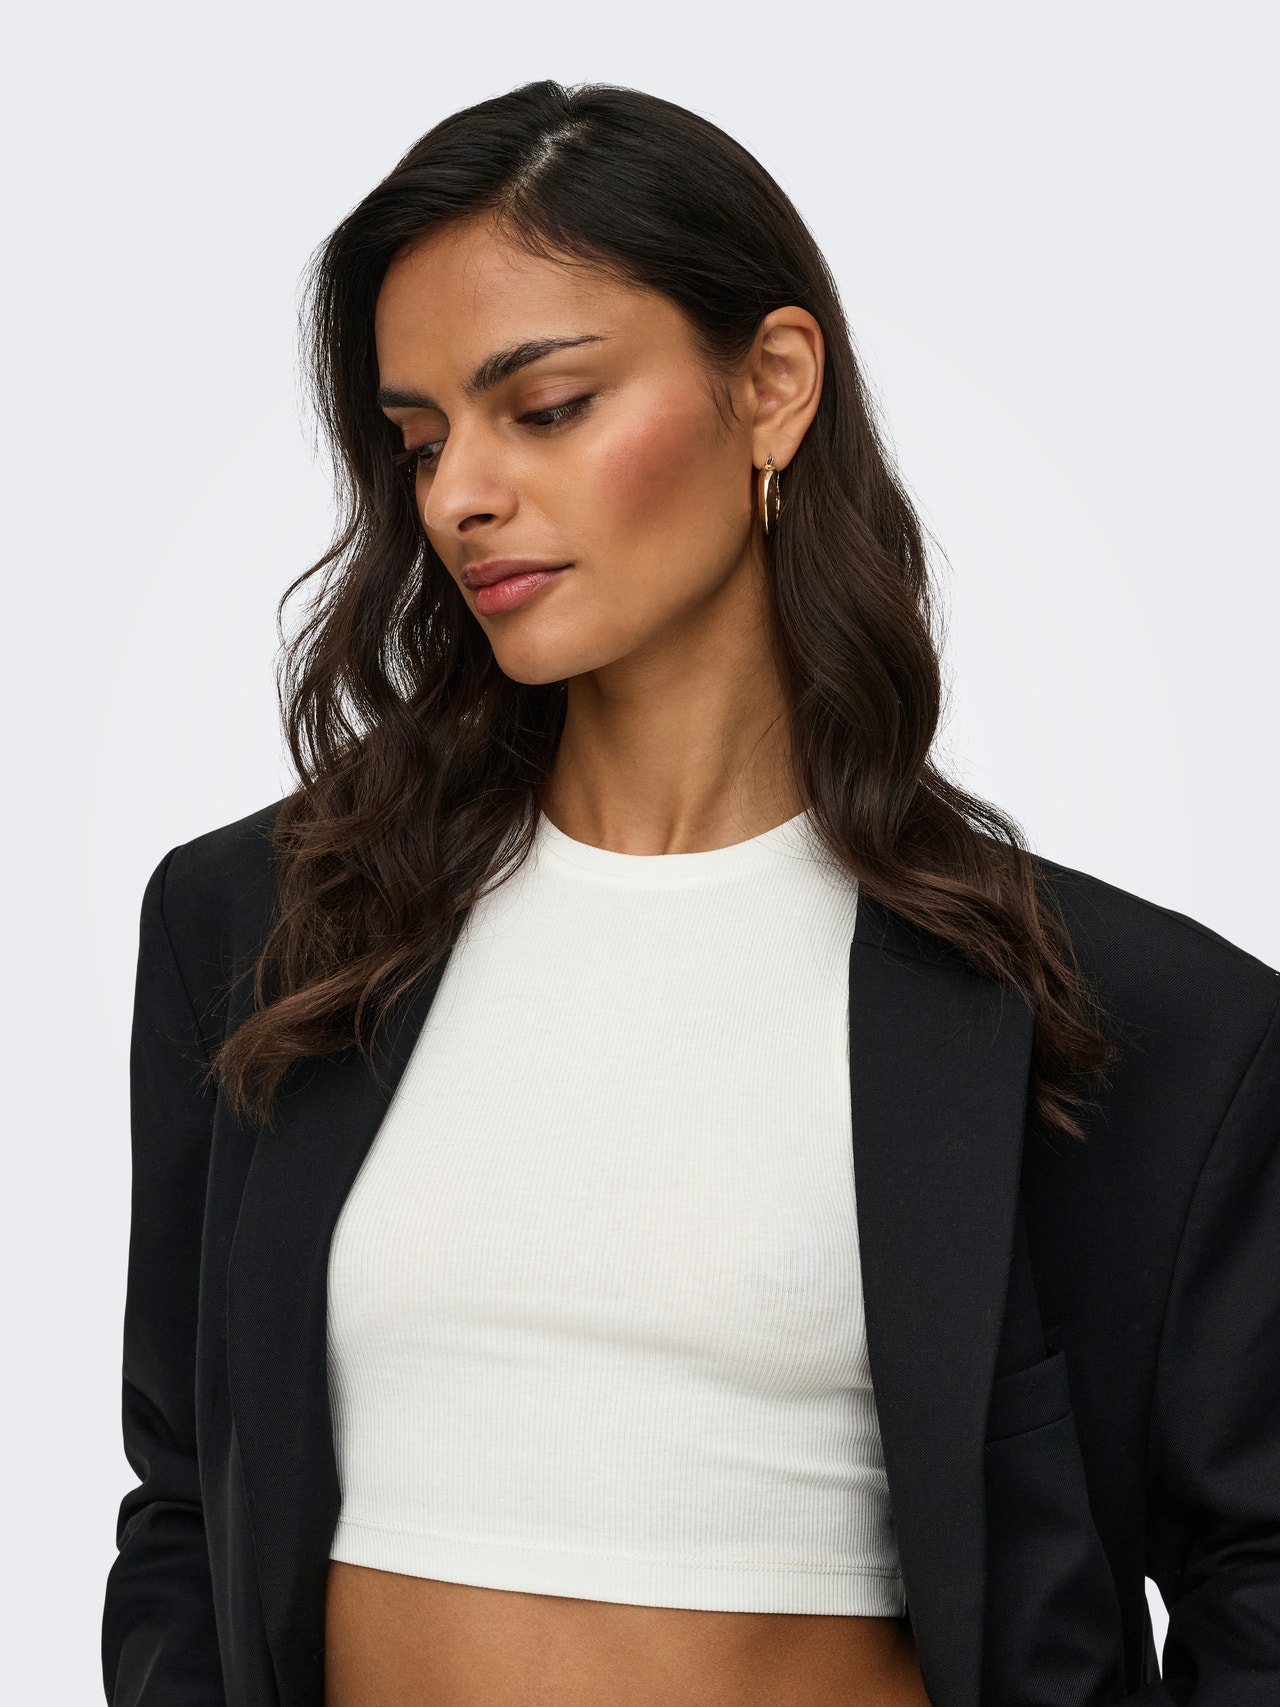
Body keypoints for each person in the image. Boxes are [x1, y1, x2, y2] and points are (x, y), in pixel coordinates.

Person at [101, 80, 1280, 1707]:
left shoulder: (1120, 1016)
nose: (456, 496)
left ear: (772, 386)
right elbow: (183, 1493)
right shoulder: (261, 931)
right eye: (421, 439)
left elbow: (1256, 1572)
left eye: (548, 406)